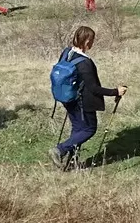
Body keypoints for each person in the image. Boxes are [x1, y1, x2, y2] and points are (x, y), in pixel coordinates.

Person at [50, 26, 127, 171]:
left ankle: (70, 163)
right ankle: (60, 150)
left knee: (78, 129)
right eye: (92, 40)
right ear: (86, 41)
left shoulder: (67, 52)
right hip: (82, 102)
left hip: (68, 99)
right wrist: (115, 92)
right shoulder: (85, 63)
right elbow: (94, 88)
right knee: (89, 129)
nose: (92, 43)